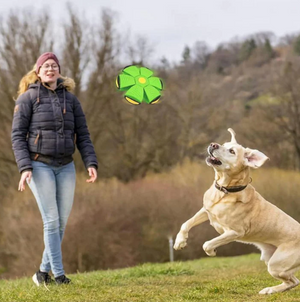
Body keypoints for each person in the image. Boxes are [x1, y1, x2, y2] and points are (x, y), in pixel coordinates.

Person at [11, 52, 98, 286]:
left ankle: (41, 273)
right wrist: (25, 167)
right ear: (37, 72)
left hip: (66, 166)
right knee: (51, 221)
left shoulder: (71, 100)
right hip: (39, 165)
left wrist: (90, 162)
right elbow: (17, 136)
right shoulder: (27, 99)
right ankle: (58, 276)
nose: (50, 69)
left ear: (59, 70)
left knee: (61, 222)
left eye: (54, 66)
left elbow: (84, 135)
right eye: (45, 66)